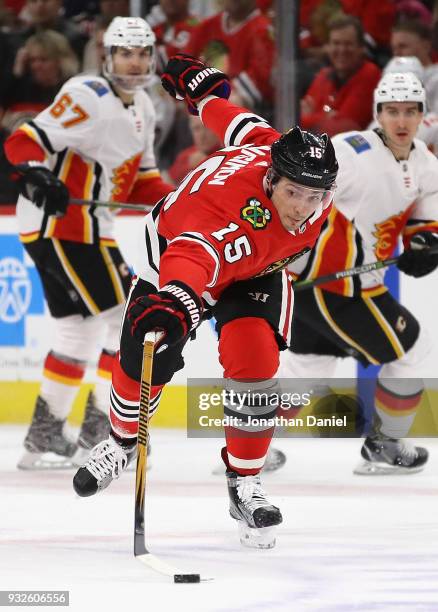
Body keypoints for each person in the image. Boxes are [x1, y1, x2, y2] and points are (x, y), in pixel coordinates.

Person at [72, 54, 338, 550]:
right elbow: (192, 256)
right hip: (179, 259)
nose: (304, 207)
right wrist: (176, 302)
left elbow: (239, 125)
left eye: (316, 196)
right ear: (270, 181)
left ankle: (245, 484)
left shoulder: (272, 150)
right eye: (295, 193)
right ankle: (121, 439)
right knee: (142, 357)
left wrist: (205, 99)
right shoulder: (223, 216)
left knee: (255, 359)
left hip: (251, 273)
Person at [4, 16, 173, 470]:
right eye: (125, 52)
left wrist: (182, 203)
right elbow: (24, 140)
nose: (134, 62)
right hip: (61, 226)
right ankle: (104, 433)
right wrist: (37, 173)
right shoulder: (86, 94)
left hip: (92, 230)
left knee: (77, 332)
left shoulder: (145, 107)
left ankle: (43, 438)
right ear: (107, 55)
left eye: (141, 53)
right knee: (127, 319)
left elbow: (143, 181)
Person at [281, 71, 438, 475]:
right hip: (335, 284)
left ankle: (247, 442)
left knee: (309, 367)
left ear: (422, 114)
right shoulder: (350, 152)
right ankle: (383, 444)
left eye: (409, 111)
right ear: (377, 114)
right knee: (412, 349)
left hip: (347, 284)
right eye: (391, 111)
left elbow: (425, 225)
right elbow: (299, 193)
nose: (400, 121)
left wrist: (426, 247)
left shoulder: (425, 163)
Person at [300, 15, 381, 136]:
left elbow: (343, 128)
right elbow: (297, 120)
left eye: (348, 44)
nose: (342, 50)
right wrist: (325, 117)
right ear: (327, 47)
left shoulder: (370, 74)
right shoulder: (324, 75)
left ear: (361, 48)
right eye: (336, 43)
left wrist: (310, 117)